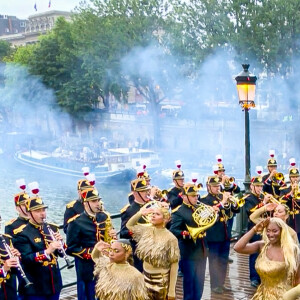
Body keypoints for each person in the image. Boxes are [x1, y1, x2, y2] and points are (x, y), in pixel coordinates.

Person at [234, 217, 300, 300]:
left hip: (284, 296)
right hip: (262, 295)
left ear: (282, 231)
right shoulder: (262, 246)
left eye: (275, 231)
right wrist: (254, 229)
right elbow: (237, 248)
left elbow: (297, 278)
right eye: (268, 231)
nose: (271, 234)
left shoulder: (291, 250)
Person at [66, 187, 113, 300]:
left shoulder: (104, 216)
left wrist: (112, 237)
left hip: (106, 264)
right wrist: (93, 252)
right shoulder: (76, 222)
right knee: (89, 295)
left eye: (98, 200)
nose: (98, 203)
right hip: (87, 266)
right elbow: (71, 248)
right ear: (86, 203)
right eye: (94, 201)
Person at [13, 194, 63, 300]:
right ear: (29, 213)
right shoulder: (22, 233)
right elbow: (26, 259)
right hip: (36, 287)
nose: (42, 214)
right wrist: (47, 251)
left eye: (43, 210)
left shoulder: (52, 228)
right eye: (37, 211)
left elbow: (62, 254)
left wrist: (61, 244)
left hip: (54, 283)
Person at [127, 202, 179, 300]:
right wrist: (140, 213)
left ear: (165, 219)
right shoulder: (146, 231)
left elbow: (174, 264)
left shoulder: (171, 239)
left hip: (161, 281)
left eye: (157, 214)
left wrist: (171, 290)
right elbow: (129, 225)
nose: (153, 215)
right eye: (153, 213)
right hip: (145, 276)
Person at [170, 183, 213, 300]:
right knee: (189, 283)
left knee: (200, 283)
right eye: (193, 195)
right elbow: (174, 230)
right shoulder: (178, 212)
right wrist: (188, 234)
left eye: (197, 195)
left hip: (202, 249)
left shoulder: (200, 208)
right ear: (184, 196)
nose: (196, 198)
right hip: (188, 251)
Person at [201, 175, 240, 294]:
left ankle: (221, 283)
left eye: (218, 185)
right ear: (208, 187)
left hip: (225, 234)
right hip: (213, 235)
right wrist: (223, 202)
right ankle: (214, 285)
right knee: (214, 261)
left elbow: (235, 211)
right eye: (214, 186)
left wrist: (232, 203)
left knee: (223, 260)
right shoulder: (204, 199)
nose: (217, 188)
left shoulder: (221, 196)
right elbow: (207, 213)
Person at [243, 172, 271, 288]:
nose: (260, 188)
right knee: (254, 253)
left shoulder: (261, 197)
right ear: (251, 186)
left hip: (266, 229)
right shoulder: (248, 198)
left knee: (265, 253)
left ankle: (263, 276)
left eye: (261, 186)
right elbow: (251, 213)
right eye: (257, 186)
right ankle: (254, 278)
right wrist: (264, 203)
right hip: (254, 230)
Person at [120, 178, 151, 272]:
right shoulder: (129, 210)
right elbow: (123, 232)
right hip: (138, 250)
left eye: (146, 190)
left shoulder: (152, 205)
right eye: (143, 191)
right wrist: (137, 231)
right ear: (135, 193)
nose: (146, 193)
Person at [0, 216, 21, 300]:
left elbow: (15, 270)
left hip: (9, 291)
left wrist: (17, 258)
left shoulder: (5, 239)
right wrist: (4, 269)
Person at [280, 158, 300, 240]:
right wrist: (291, 193)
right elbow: (281, 200)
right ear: (290, 178)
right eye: (293, 177)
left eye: (296, 177)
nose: (295, 179)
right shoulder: (285, 189)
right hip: (290, 218)